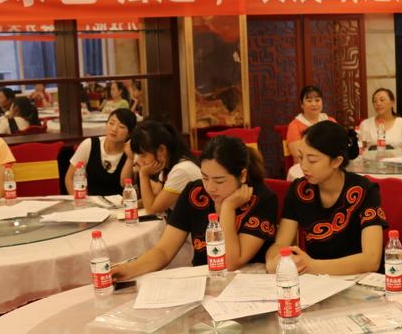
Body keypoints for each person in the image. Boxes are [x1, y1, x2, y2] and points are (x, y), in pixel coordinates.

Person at [110, 135, 279, 280]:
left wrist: (228, 208)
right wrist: (129, 269)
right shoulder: (195, 193)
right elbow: (164, 251)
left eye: (219, 181)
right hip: (202, 284)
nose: (210, 188)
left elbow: (231, 262)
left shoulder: (263, 200)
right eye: (205, 178)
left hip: (247, 286)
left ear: (242, 176)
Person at [268, 121, 387, 275]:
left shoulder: (364, 191)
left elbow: (371, 260)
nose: (304, 166)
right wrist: (274, 262)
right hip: (319, 282)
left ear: (336, 161)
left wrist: (312, 266)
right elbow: (280, 244)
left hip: (362, 279)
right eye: (301, 157)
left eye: (312, 160)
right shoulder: (299, 190)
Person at [127, 120, 200, 215]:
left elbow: (152, 210)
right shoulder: (168, 165)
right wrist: (130, 204)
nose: (138, 160)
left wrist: (143, 174)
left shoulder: (181, 170)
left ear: (161, 150)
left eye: (143, 155)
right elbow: (156, 197)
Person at [65, 108, 137, 197]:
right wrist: (78, 200)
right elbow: (70, 178)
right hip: (90, 202)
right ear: (106, 124)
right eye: (111, 123)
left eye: (121, 127)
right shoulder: (89, 144)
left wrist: (130, 158)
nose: (114, 129)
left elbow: (126, 184)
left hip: (119, 203)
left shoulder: (133, 152)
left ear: (130, 133)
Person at [285, 85, 336, 162]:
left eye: (317, 100)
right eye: (309, 101)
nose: (314, 104)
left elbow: (340, 145)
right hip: (305, 166)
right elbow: (298, 154)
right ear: (302, 104)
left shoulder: (330, 121)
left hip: (330, 164)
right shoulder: (294, 125)